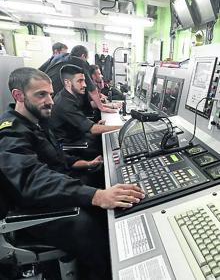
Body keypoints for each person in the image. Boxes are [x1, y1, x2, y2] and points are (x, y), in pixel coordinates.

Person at [0, 67, 145, 280]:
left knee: (103, 188)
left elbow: (53, 157)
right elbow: (33, 180)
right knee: (93, 225)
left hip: (51, 191)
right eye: (41, 94)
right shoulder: (10, 133)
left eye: (50, 93)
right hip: (32, 210)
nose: (50, 100)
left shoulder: (33, 121)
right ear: (18, 95)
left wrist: (85, 163)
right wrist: (96, 196)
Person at [50, 64, 121, 159]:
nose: (85, 84)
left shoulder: (70, 96)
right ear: (67, 83)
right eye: (80, 81)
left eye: (84, 80)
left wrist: (95, 124)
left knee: (110, 140)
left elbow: (80, 120)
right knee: (114, 152)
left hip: (79, 136)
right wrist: (123, 128)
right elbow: (92, 129)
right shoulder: (65, 103)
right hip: (76, 146)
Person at [45, 44, 117, 114]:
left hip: (46, 95)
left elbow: (40, 71)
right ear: (83, 56)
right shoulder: (80, 62)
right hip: (60, 100)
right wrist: (102, 108)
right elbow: (91, 89)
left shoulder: (57, 57)